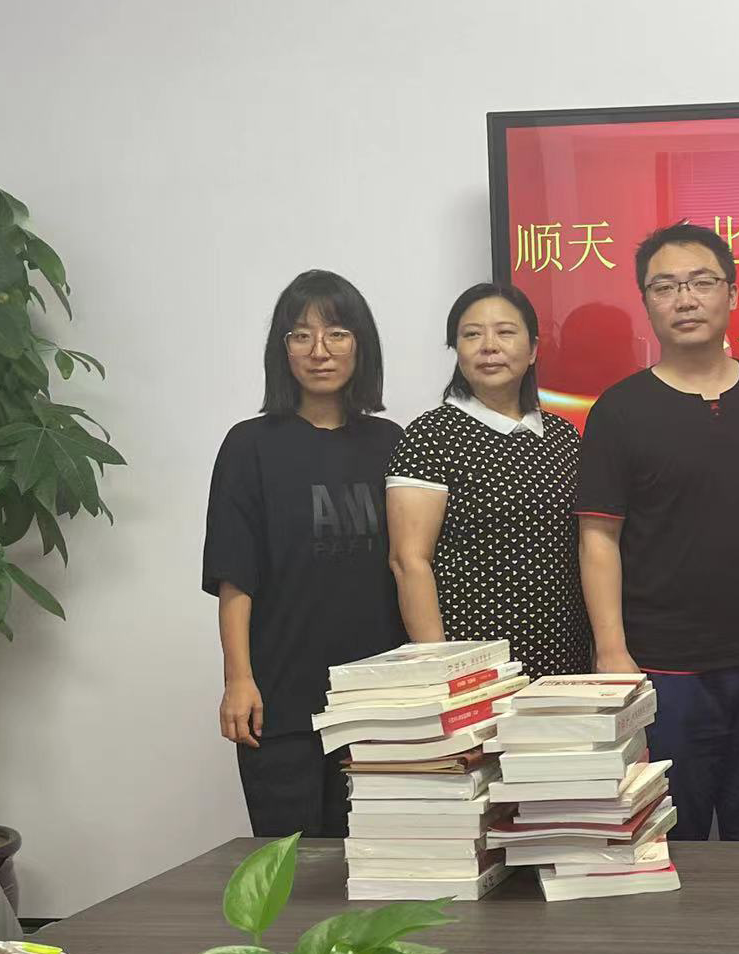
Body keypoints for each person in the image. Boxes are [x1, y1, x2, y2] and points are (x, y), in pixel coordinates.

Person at [576, 223, 739, 842]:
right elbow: (599, 537)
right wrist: (611, 650)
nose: (684, 299)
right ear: (647, 302)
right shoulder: (619, 410)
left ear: (731, 294)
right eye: (665, 287)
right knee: (667, 845)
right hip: (662, 667)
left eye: (700, 283)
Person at [202, 270, 406, 837]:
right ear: (282, 348)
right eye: (301, 335)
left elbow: (413, 566)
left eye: (337, 333)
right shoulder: (249, 445)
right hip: (281, 701)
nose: (320, 350)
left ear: (360, 345)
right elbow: (235, 576)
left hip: (379, 703)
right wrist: (238, 680)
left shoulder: (391, 444)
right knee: (289, 866)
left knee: (378, 863)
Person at [385, 283, 591, 676]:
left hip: (566, 661)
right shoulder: (430, 436)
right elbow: (408, 561)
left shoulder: (563, 436)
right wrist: (440, 670)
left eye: (505, 332)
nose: (489, 346)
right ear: (457, 349)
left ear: (532, 349)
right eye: (472, 334)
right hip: (473, 669)